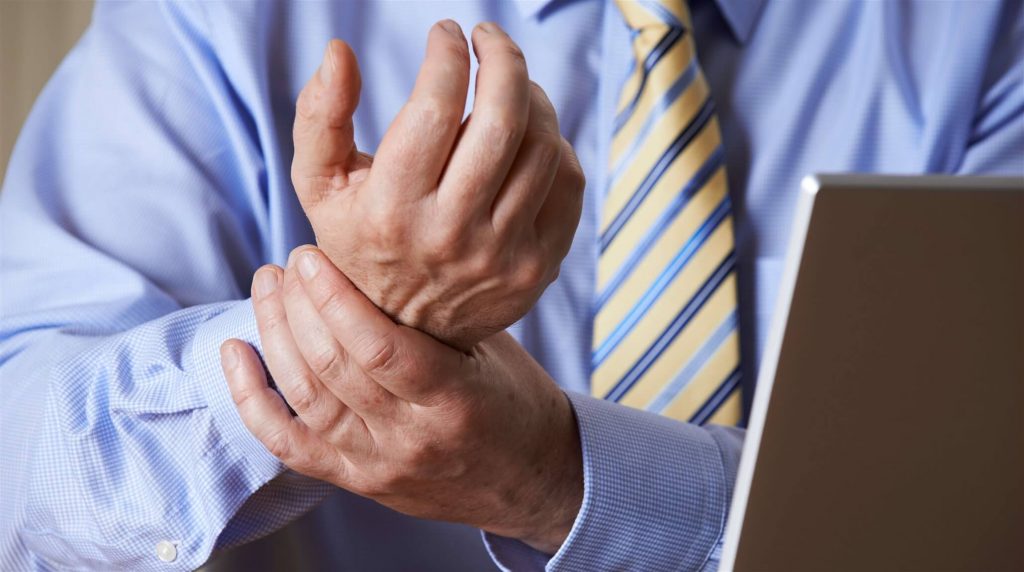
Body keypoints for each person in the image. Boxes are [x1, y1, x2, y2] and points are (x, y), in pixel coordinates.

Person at [1, 1, 1020, 570]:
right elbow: (23, 472)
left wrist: (559, 477)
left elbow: (975, 520)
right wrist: (360, 323)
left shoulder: (983, 35)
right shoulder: (220, 19)